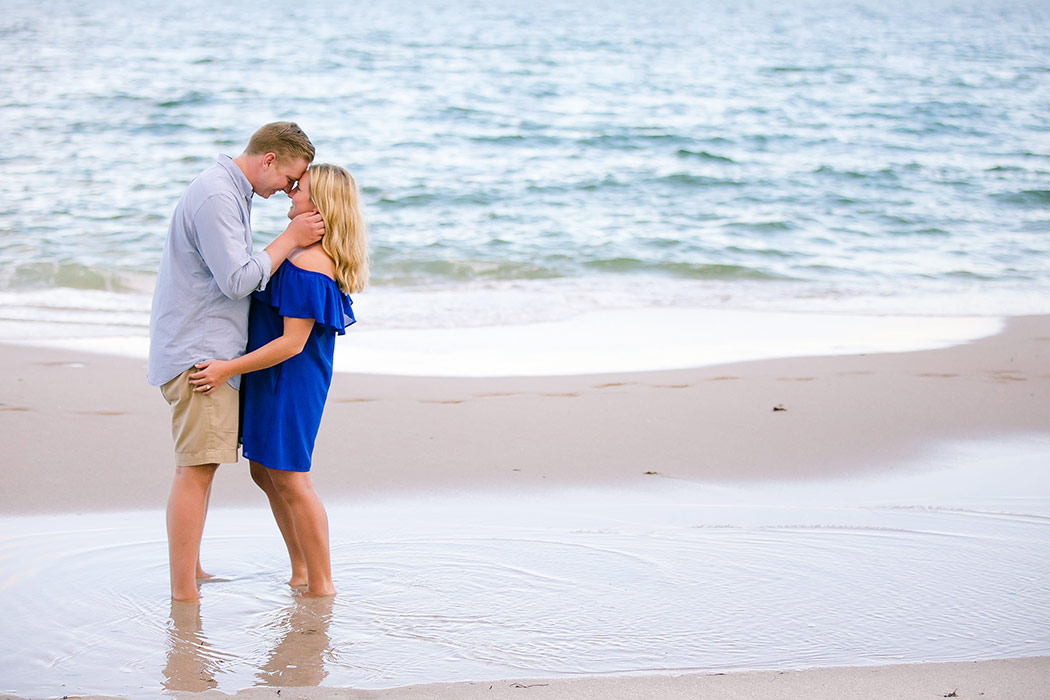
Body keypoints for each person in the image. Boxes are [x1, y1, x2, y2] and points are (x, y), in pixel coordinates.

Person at [147, 122, 325, 602]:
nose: (290, 188)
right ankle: (184, 590)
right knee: (197, 469)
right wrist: (289, 237)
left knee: (200, 468)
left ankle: (194, 572)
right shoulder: (218, 197)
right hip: (202, 354)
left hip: (205, 348)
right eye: (291, 178)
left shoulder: (229, 192)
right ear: (269, 159)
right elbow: (237, 281)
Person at [187, 163, 368, 597]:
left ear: (319, 205)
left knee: (291, 479)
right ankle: (301, 569)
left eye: (298, 188)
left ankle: (320, 584)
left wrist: (225, 369)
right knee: (264, 473)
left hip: (291, 381)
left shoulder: (310, 263)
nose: (290, 192)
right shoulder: (297, 252)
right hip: (271, 377)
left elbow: (292, 344)